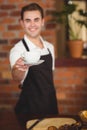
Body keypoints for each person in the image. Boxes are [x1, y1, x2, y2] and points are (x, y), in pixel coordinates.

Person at [9, 3, 58, 118]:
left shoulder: (50, 47)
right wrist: (19, 68)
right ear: (22, 23)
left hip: (51, 104)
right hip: (29, 109)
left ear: (42, 21)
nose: (32, 24)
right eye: (28, 20)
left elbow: (49, 76)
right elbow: (16, 76)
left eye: (36, 20)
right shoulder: (18, 50)